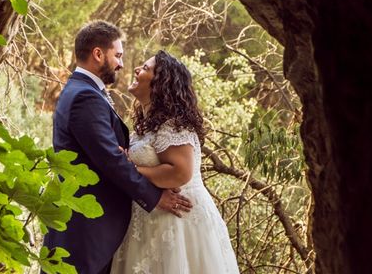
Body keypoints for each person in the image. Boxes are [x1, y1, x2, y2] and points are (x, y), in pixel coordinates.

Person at [42, 21, 192, 274]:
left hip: (89, 228)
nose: (122, 64)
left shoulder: (83, 91)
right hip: (84, 231)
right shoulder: (85, 96)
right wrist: (155, 197)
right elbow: (110, 159)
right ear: (98, 54)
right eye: (118, 55)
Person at [111, 50, 240, 274]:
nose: (138, 70)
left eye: (146, 68)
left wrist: (131, 168)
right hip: (150, 219)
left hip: (177, 222)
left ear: (161, 84)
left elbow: (180, 173)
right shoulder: (149, 125)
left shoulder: (173, 125)